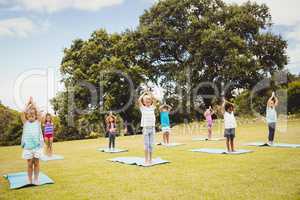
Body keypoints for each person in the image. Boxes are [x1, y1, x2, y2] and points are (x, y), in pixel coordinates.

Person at [20, 97, 44, 185]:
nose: (31, 117)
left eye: (33, 115)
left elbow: (39, 113)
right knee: (30, 164)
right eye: (29, 115)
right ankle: (30, 180)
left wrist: (33, 103)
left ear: (35, 116)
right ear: (27, 116)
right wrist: (28, 103)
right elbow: (22, 112)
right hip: (28, 147)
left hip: (37, 147)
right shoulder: (25, 123)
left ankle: (36, 179)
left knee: (36, 163)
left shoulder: (38, 122)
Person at [138, 91, 156, 165]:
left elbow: (154, 99)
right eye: (146, 100)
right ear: (144, 102)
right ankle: (146, 159)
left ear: (150, 101)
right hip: (145, 128)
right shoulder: (143, 108)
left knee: (151, 145)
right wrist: (144, 94)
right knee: (146, 145)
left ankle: (150, 159)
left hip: (152, 128)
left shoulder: (152, 107)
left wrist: (149, 94)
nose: (148, 101)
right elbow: (139, 100)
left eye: (149, 100)